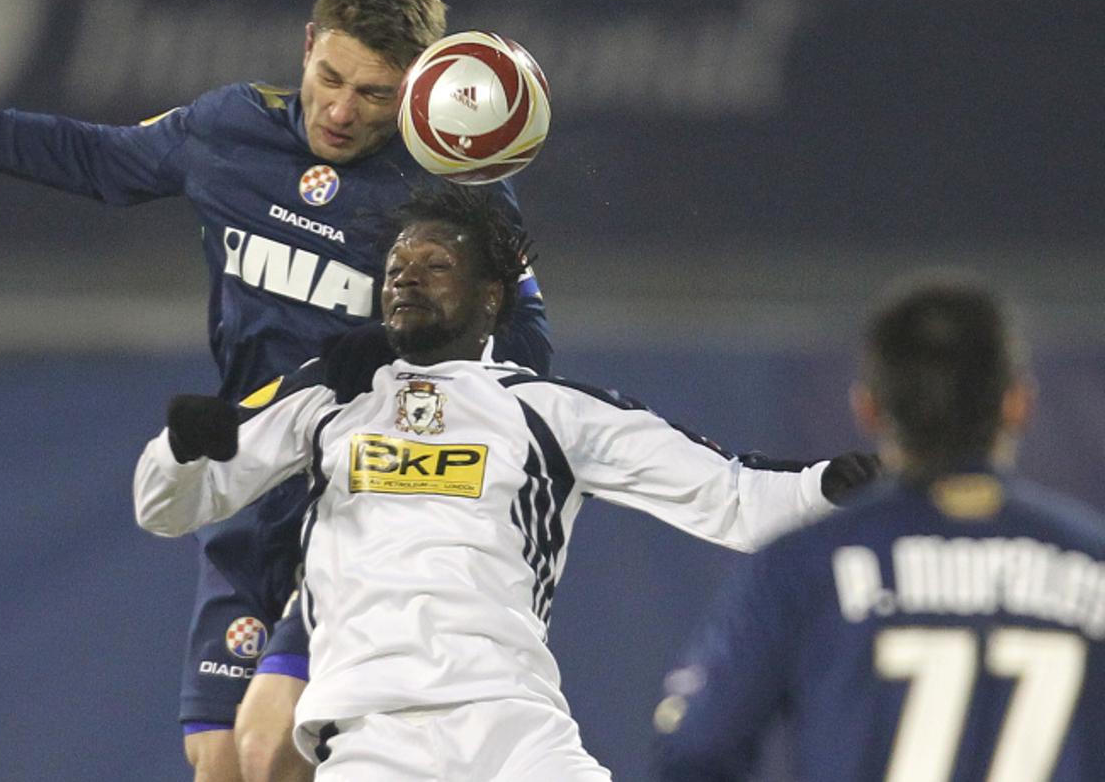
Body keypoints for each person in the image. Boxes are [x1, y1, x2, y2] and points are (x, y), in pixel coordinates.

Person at [0, 0, 551, 782]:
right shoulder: (230, 129)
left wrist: (400, 350)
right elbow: (95, 158)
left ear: (419, 90)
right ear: (308, 44)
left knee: (271, 745)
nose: (342, 110)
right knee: (218, 761)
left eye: (375, 94)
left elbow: (528, 347)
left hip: (369, 497)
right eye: (330, 78)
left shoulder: (456, 191)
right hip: (247, 487)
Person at [132, 184, 878, 780]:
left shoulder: (548, 411)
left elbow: (734, 497)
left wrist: (833, 488)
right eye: (396, 267)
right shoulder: (327, 397)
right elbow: (167, 507)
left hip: (513, 727)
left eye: (434, 265)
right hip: (369, 738)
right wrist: (182, 449)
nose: (407, 277)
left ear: (491, 298)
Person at [652, 273, 1105, 782]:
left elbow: (697, 753)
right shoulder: (1093, 562)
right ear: (1018, 402)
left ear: (867, 406)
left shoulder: (808, 565)